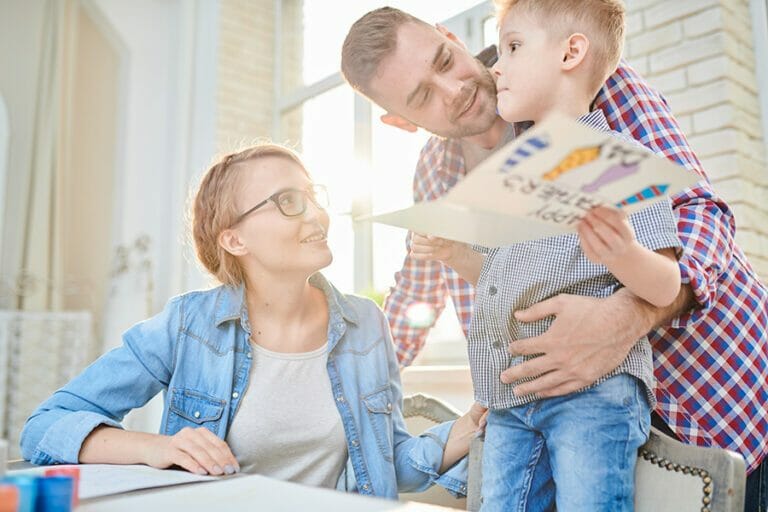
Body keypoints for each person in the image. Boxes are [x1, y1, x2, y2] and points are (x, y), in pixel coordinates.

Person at [341, 5, 768, 510]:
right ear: (399, 121)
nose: (453, 89)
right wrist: (343, 395)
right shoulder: (434, 176)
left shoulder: (571, 79)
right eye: (422, 96)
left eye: (444, 61)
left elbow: (699, 216)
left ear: (450, 35)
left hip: (713, 393)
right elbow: (414, 300)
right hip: (551, 422)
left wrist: (623, 318)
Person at [19, 143, 487, 499]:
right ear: (235, 240)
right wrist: (154, 448)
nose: (318, 214)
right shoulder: (187, 325)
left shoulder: (366, 325)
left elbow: (392, 464)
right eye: (288, 201)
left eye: (312, 196)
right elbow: (46, 425)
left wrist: (469, 425)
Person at [410, 0, 681, 508]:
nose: (496, 66)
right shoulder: (514, 177)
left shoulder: (618, 162)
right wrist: (452, 254)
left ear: (570, 53)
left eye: (512, 47)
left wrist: (623, 253)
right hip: (511, 401)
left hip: (594, 395)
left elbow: (667, 284)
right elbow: (500, 274)